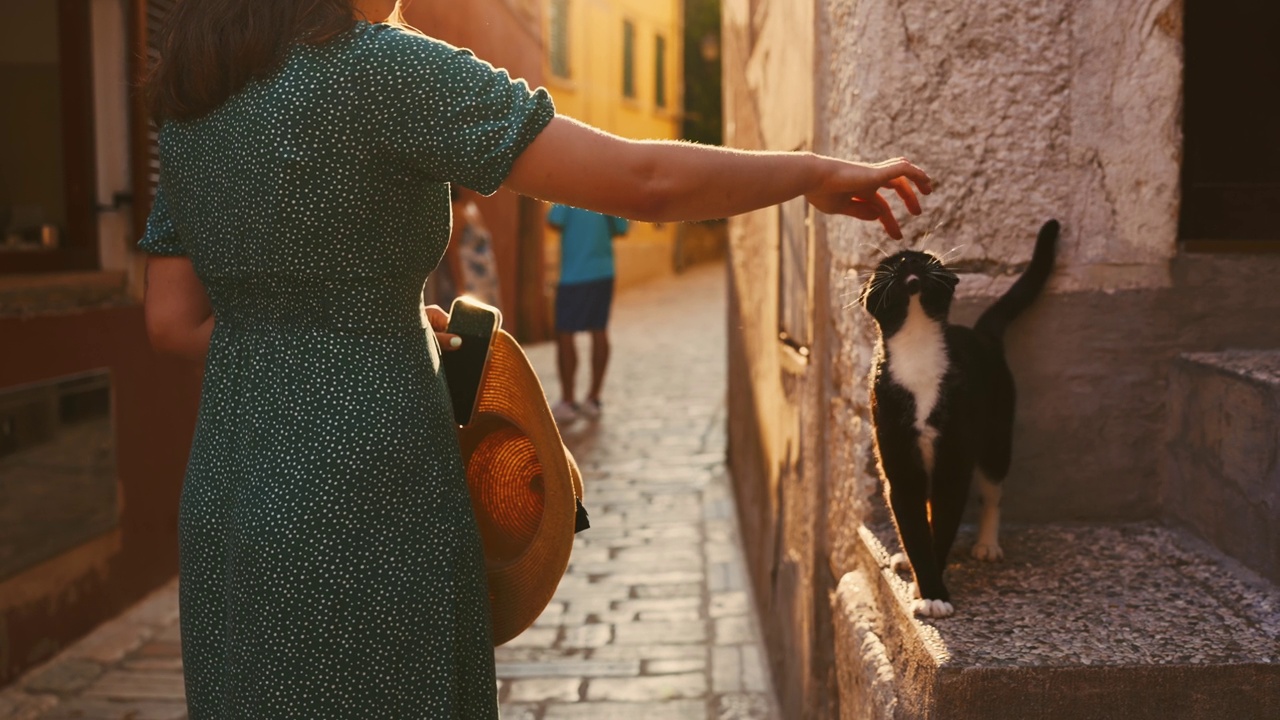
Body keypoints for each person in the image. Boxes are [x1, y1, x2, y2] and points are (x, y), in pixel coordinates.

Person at [139, 0, 932, 717]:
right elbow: (643, 180)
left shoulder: (194, 101)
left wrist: (336, 324)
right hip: (370, 490)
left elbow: (170, 322)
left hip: (231, 490)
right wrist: (811, 172)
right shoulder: (380, 67)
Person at [546, 204, 628, 422]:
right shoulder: (611, 191)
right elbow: (621, 228)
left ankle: (568, 400)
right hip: (604, 271)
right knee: (599, 330)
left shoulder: (571, 185)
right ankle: (593, 398)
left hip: (574, 273)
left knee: (565, 333)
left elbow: (554, 221)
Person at [433, 185, 503, 310]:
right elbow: (452, 252)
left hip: (482, 282)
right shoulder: (456, 209)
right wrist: (460, 287)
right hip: (468, 282)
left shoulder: (470, 208)